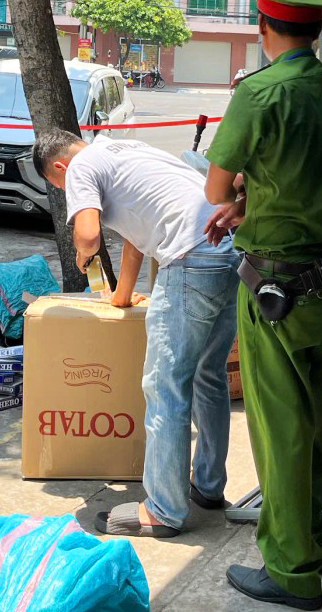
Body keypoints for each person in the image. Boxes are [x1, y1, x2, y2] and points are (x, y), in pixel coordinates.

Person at [203, 0, 322, 610]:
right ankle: (311, 543)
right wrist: (256, 196)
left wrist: (239, 197)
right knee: (315, 424)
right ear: (319, 29)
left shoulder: (258, 92)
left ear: (265, 26)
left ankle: (292, 571)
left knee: (280, 431)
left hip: (277, 286)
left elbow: (215, 188)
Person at [32, 132, 239, 539]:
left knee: (165, 386)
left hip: (190, 260)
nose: (66, 190)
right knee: (207, 376)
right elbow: (135, 238)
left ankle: (163, 509)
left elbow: (89, 234)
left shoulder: (81, 167)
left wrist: (83, 249)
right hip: (227, 250)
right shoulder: (124, 149)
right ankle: (209, 487)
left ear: (59, 168)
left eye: (60, 188)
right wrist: (121, 296)